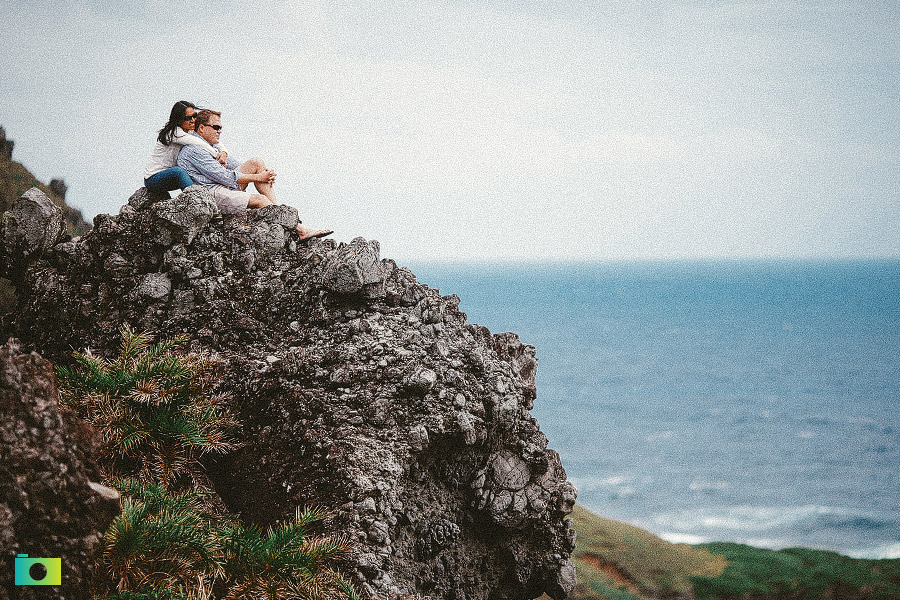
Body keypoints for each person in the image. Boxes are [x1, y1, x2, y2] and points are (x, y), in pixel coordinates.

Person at [177, 109, 332, 241]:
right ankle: (300, 229)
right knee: (260, 199)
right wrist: (259, 178)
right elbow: (225, 177)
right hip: (212, 194)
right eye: (216, 127)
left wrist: (264, 173)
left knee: (257, 162)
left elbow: (235, 166)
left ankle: (279, 210)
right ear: (202, 128)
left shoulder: (211, 147)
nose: (220, 131)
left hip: (223, 185)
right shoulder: (194, 150)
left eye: (220, 127)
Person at [143, 101, 228, 194]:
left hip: (170, 176)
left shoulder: (189, 131)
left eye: (194, 116)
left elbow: (213, 141)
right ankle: (195, 198)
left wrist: (224, 152)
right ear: (179, 120)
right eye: (188, 118)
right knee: (179, 172)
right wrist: (216, 154)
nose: (193, 120)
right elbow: (198, 142)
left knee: (194, 171)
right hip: (153, 179)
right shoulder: (174, 133)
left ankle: (216, 193)